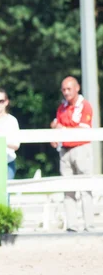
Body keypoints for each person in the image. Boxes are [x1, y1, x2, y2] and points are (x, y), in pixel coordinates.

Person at [50, 76, 94, 232]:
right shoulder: (62, 107)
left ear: (77, 88)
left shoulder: (85, 106)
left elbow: (84, 129)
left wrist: (64, 130)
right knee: (68, 189)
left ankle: (89, 225)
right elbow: (56, 124)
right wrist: (55, 134)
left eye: (69, 89)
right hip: (65, 151)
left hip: (81, 149)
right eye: (63, 90)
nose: (66, 92)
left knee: (85, 187)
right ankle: (72, 225)